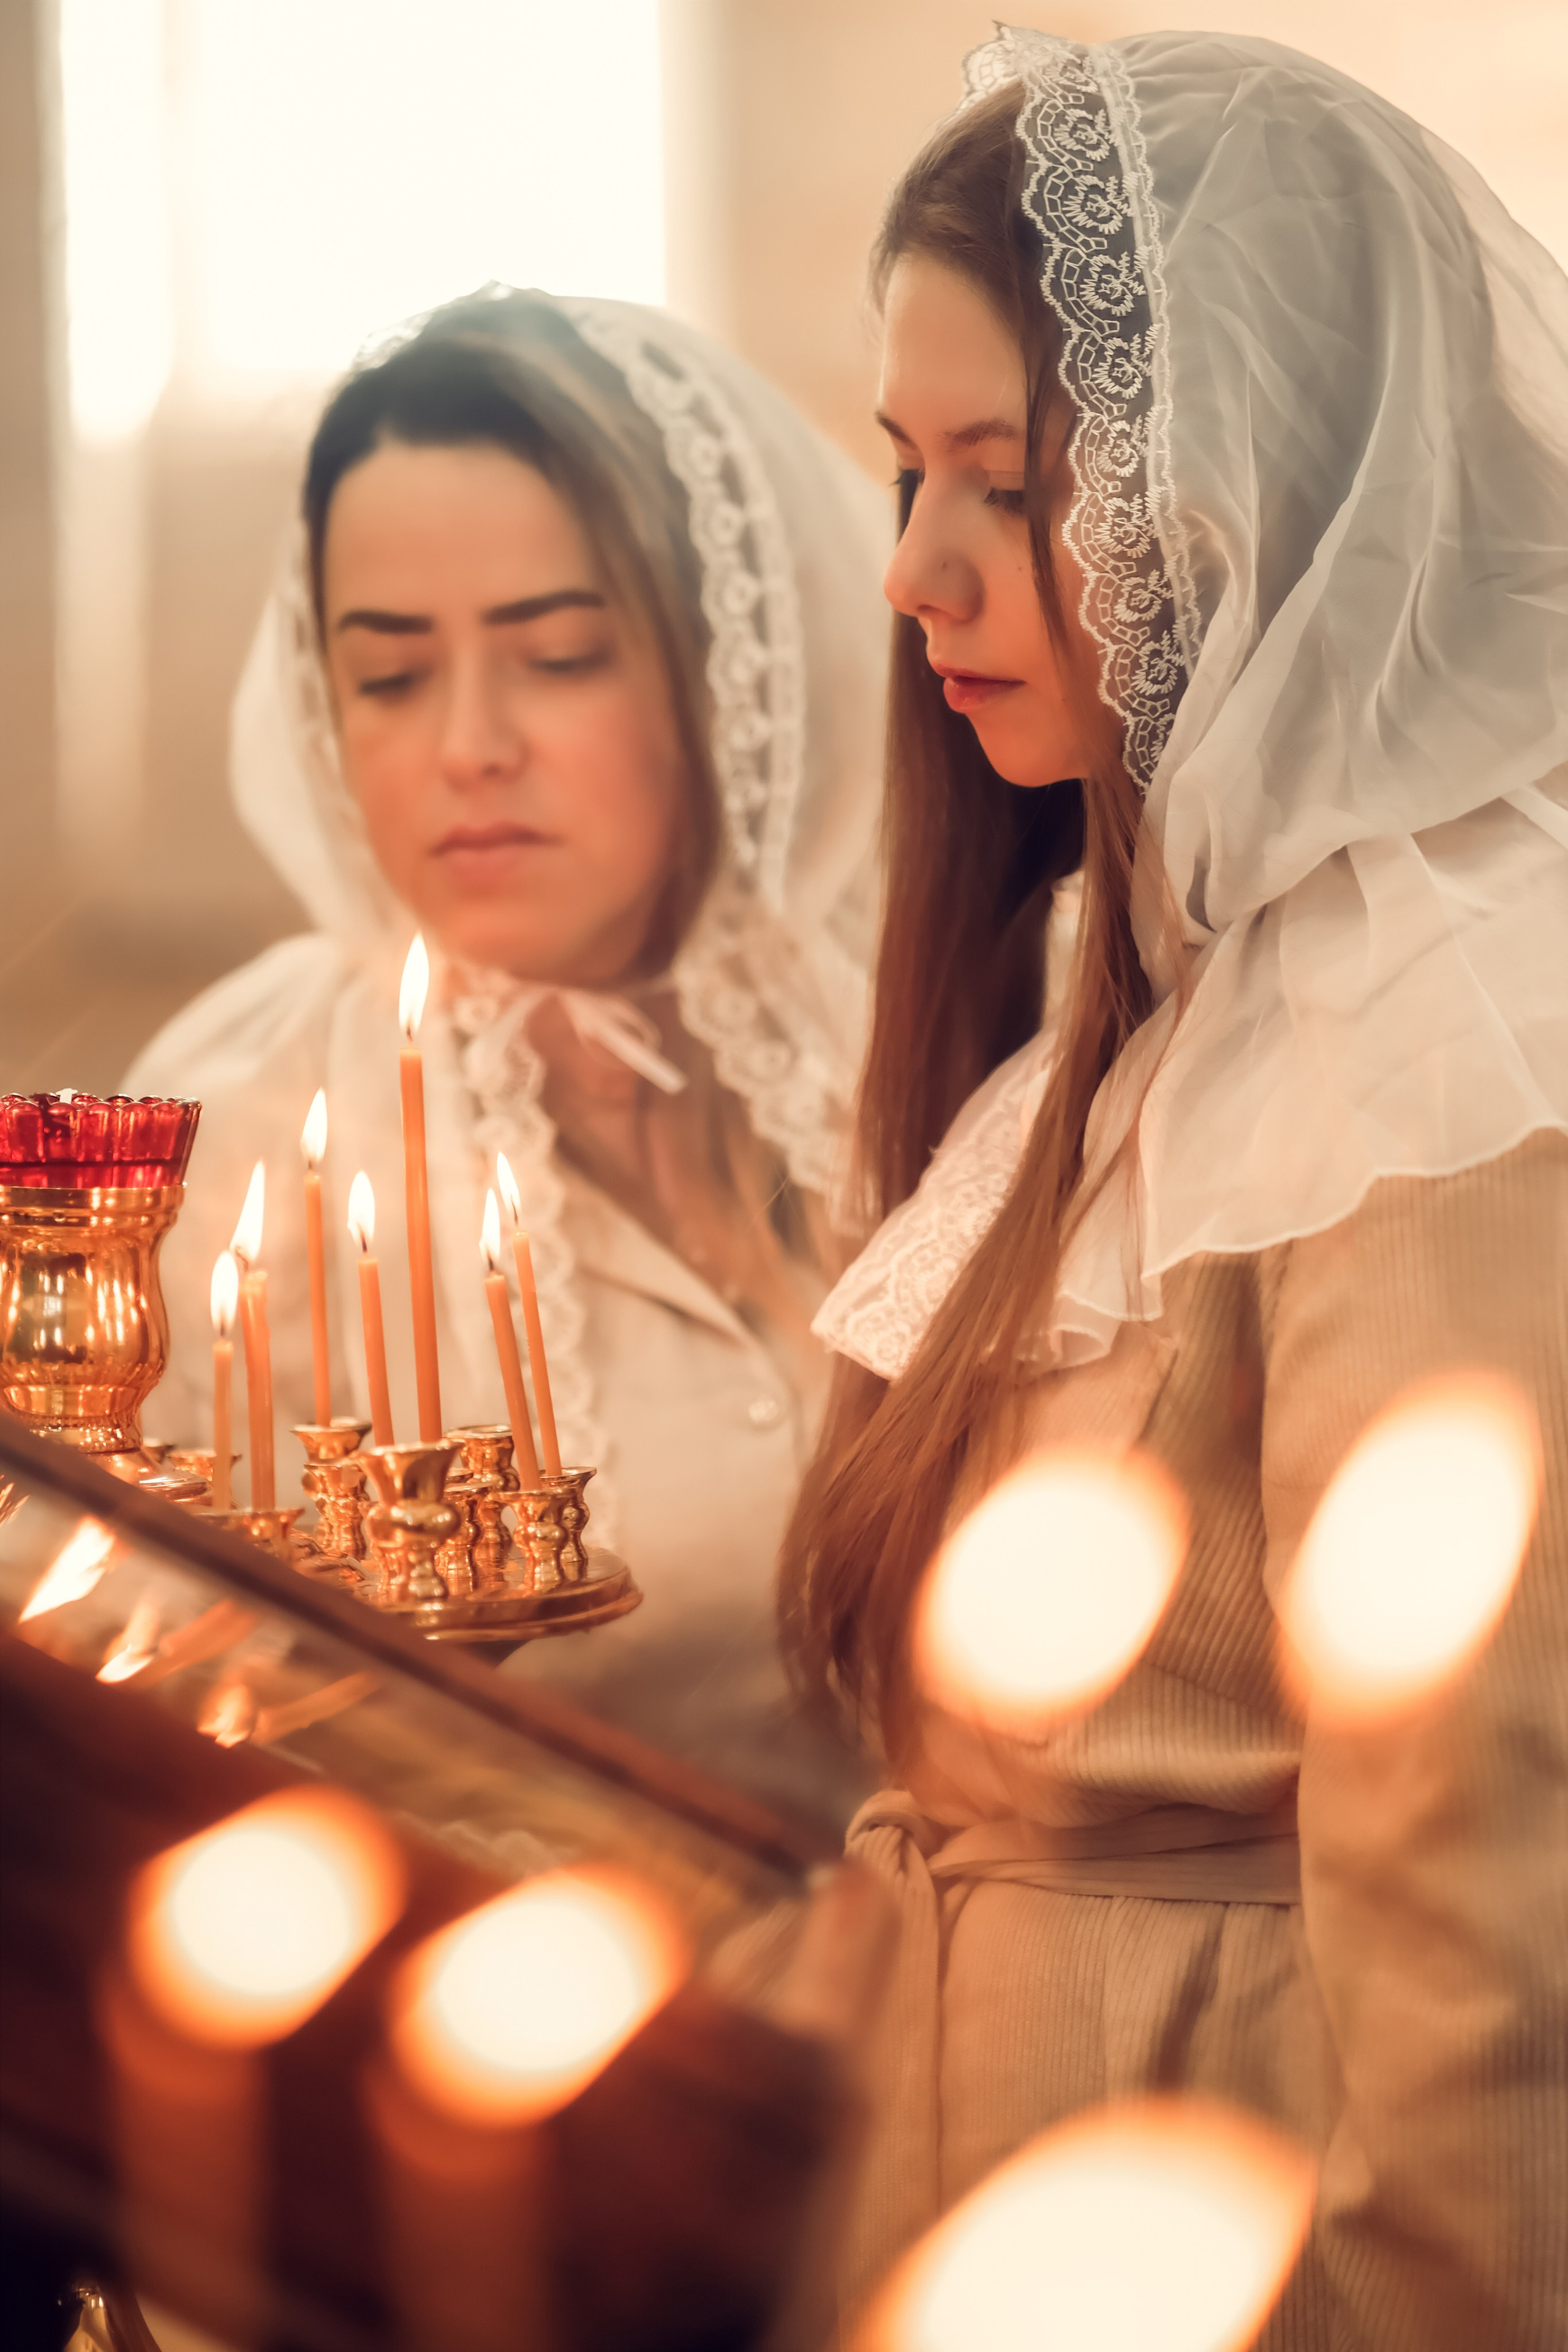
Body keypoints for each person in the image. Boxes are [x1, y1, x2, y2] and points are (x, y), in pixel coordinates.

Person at [780, 28, 1568, 2345]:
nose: (917, 571)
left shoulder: (1435, 1028)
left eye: (1002, 483)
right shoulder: (1135, 988)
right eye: (904, 473)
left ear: (1255, 475)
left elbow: (1487, 1903)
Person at [128, 287, 888, 1831]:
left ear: (718, 666)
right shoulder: (237, 1146)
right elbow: (135, 1711)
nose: (469, 744)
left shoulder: (920, 1034)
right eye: (390, 677)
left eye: (556, 654)